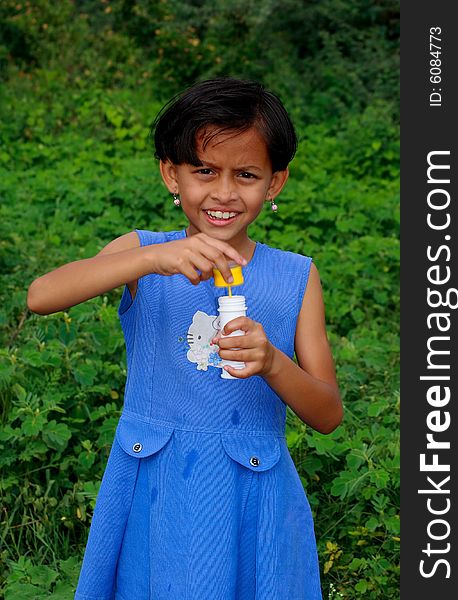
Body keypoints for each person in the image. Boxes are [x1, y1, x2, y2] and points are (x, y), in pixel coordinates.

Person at [27, 77, 343, 599]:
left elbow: (328, 414)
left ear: (276, 182)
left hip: (253, 500)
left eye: (246, 175)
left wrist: (272, 363)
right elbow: (42, 295)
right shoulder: (142, 253)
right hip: (155, 495)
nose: (223, 193)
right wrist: (152, 259)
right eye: (203, 171)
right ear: (171, 175)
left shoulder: (296, 277)